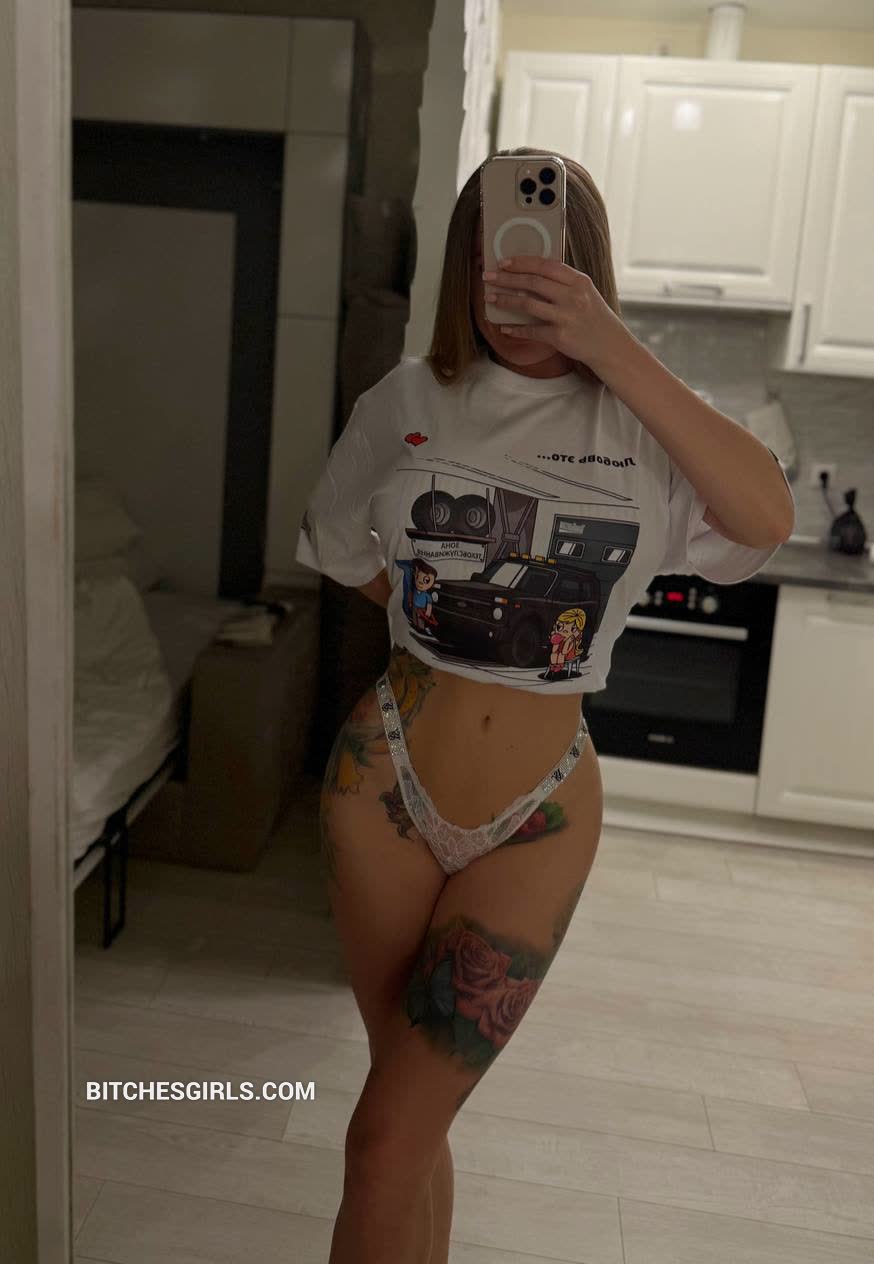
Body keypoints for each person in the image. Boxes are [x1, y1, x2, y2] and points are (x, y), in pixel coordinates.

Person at [295, 146, 795, 1264]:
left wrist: (609, 346)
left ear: (586, 269)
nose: (513, 280)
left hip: (538, 814)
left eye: (542, 259)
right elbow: (339, 544)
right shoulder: (409, 398)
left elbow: (763, 520)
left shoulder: (646, 426)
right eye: (492, 255)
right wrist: (433, 617)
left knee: (388, 1134)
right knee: (401, 1125)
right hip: (383, 785)